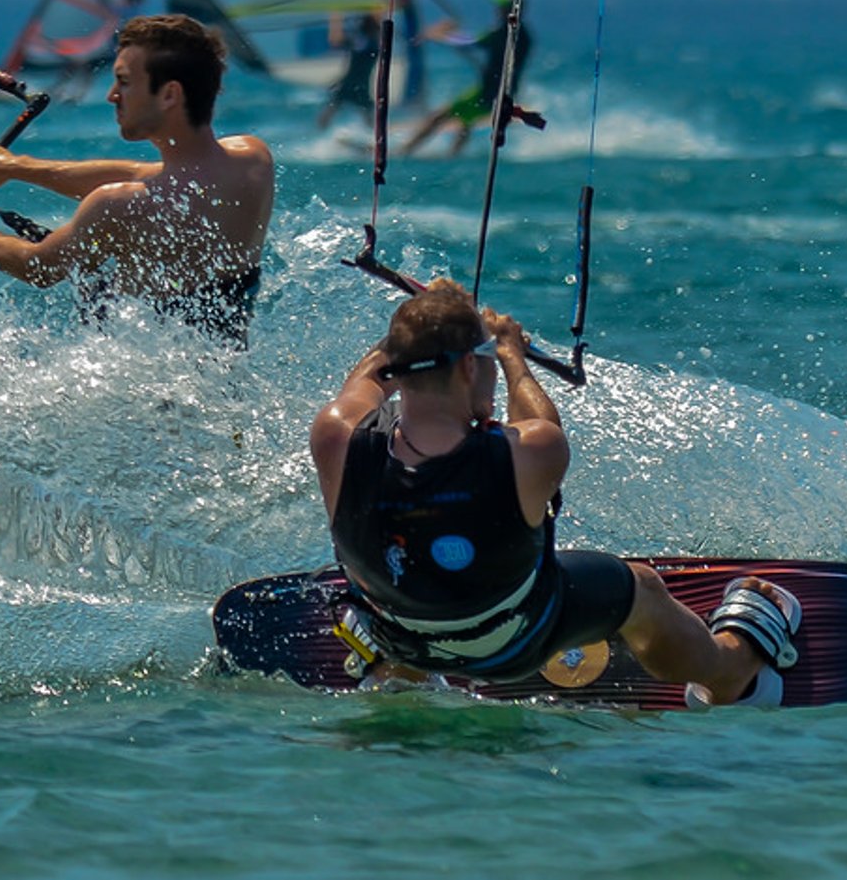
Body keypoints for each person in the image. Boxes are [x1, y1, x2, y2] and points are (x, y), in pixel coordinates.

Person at [307, 278, 802, 706]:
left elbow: (369, 379)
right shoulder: (530, 453)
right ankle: (728, 671)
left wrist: (423, 322)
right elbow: (539, 425)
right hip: (514, 645)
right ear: (466, 369)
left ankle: (402, 670)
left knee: (405, 569)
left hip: (401, 638)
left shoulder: (335, 435)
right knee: (641, 588)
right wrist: (512, 355)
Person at [0, 13, 275, 344]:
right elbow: (143, 174)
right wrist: (17, 167)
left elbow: (39, 267)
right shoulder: (251, 160)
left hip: (145, 400)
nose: (112, 96)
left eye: (124, 82)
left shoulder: (119, 206)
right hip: (223, 384)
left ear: (169, 94)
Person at [402, 0, 533, 157]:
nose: (497, 10)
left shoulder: (504, 33)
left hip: (491, 94)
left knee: (439, 117)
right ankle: (453, 154)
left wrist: (439, 35)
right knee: (466, 121)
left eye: (500, 7)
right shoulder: (525, 35)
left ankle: (405, 151)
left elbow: (469, 43)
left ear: (509, 10)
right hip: (503, 92)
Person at [316, 10, 382, 129]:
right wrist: (336, 19)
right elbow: (335, 41)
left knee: (368, 120)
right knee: (327, 116)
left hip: (356, 86)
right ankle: (319, 139)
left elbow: (335, 41)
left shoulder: (369, 42)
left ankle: (374, 139)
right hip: (353, 85)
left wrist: (335, 19)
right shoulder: (367, 41)